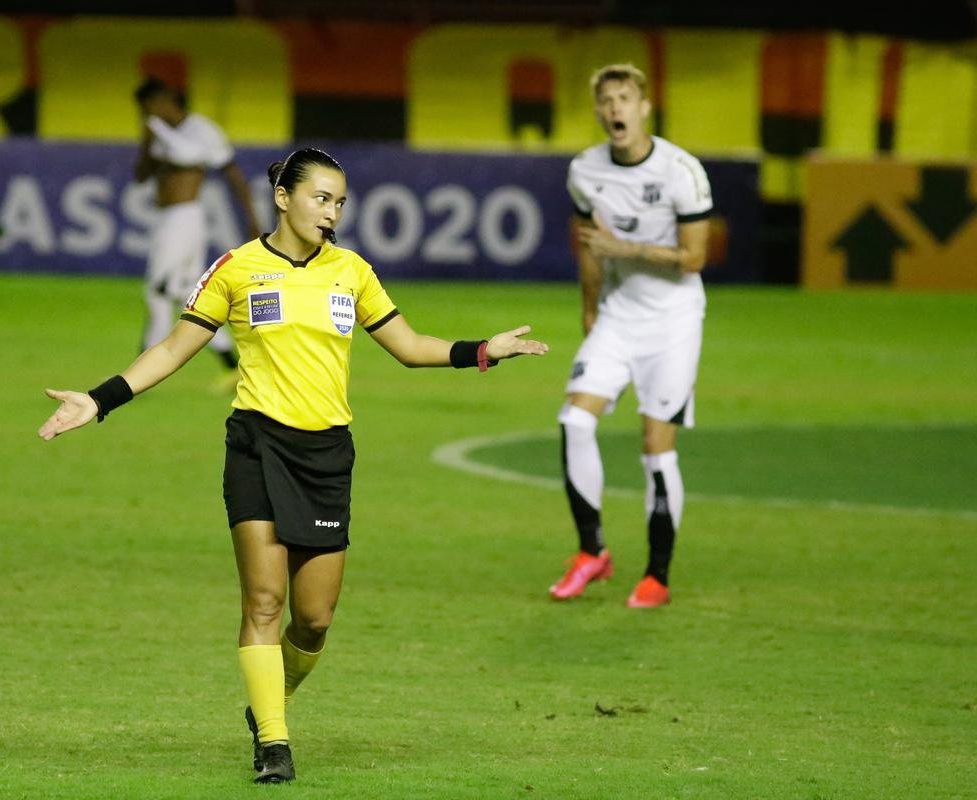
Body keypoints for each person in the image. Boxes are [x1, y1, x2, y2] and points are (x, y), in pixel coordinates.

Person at [38, 147, 548, 784]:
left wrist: (483, 350)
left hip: (327, 456)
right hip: (256, 445)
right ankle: (274, 743)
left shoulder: (353, 272)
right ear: (283, 197)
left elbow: (410, 347)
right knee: (263, 601)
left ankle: (267, 704)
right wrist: (99, 399)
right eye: (320, 198)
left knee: (313, 620)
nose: (331, 212)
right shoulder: (237, 269)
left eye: (339, 202)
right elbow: (173, 348)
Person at [548, 64, 713, 608]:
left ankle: (657, 576)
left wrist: (630, 250)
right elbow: (590, 247)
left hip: (673, 322)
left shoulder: (680, 171)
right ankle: (591, 551)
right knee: (574, 419)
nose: (615, 108)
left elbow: (694, 257)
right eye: (606, 101)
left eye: (625, 98)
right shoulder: (585, 173)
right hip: (619, 318)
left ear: (645, 106)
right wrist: (591, 308)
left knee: (655, 450)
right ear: (598, 111)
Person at [133, 77, 261, 371]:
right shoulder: (161, 133)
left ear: (164, 99)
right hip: (166, 219)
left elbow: (232, 173)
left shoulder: (200, 131)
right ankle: (233, 362)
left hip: (184, 219)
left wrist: (251, 219)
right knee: (188, 295)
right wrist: (148, 139)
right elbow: (142, 175)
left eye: (147, 107)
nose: (145, 114)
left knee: (158, 289)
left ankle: (141, 366)